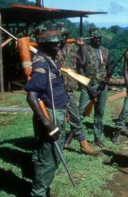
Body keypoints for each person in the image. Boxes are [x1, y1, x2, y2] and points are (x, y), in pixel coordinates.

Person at [24, 23, 67, 197]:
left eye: (58, 41)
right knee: (48, 161)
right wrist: (49, 124)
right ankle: (39, 193)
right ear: (43, 43)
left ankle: (44, 188)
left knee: (53, 157)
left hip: (58, 112)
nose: (58, 44)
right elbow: (32, 97)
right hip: (51, 115)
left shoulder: (50, 59)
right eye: (54, 42)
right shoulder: (42, 64)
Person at [56, 24, 101, 156]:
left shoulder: (72, 48)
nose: (63, 38)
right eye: (61, 35)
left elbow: (82, 62)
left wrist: (81, 46)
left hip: (68, 90)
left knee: (75, 118)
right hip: (56, 90)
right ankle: (57, 147)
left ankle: (84, 146)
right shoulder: (53, 50)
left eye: (65, 35)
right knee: (58, 120)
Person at [78, 27, 110, 148]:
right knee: (81, 112)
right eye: (95, 38)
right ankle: (74, 135)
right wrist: (88, 87)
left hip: (102, 85)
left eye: (99, 38)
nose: (97, 40)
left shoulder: (105, 51)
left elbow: (109, 67)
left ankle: (98, 138)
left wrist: (106, 80)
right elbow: (80, 67)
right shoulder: (84, 49)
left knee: (99, 112)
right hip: (88, 84)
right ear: (91, 38)